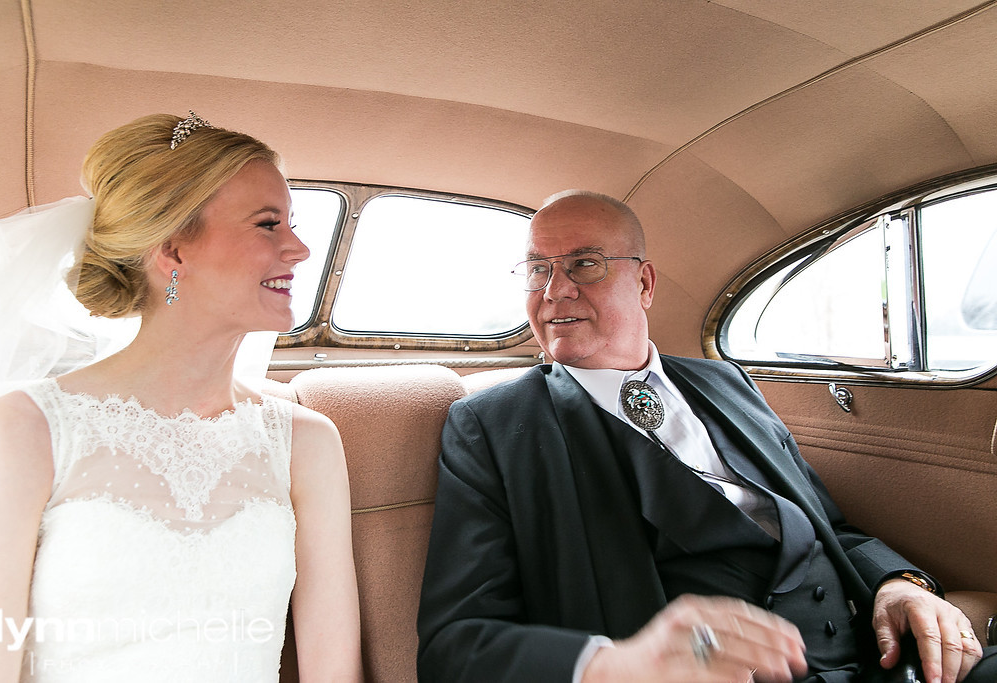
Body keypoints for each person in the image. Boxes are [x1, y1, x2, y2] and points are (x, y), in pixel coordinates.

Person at [416, 190, 996, 682]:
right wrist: (617, 664)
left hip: (875, 659)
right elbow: (454, 644)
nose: (553, 291)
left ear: (644, 283)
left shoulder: (724, 380)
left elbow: (825, 524)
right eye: (538, 269)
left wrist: (900, 584)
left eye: (584, 264)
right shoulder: (492, 425)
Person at [0, 113, 362, 681]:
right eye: (267, 225)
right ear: (174, 251)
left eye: (292, 224)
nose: (299, 249)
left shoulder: (306, 443)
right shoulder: (20, 430)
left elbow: (334, 672)